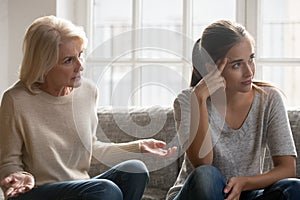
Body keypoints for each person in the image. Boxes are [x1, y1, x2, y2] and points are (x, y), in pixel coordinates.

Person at [0, 15, 177, 200]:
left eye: (81, 54)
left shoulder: (88, 91)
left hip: (80, 187)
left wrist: (138, 147)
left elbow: (90, 148)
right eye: (68, 60)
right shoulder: (16, 100)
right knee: (105, 190)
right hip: (37, 191)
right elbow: (8, 162)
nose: (80, 66)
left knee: (136, 170)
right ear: (44, 65)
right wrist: (20, 178)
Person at [166, 20, 300, 200]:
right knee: (207, 176)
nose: (249, 72)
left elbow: (287, 168)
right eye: (236, 65)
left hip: (246, 193)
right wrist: (199, 99)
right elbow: (202, 163)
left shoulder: (269, 99)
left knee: (293, 188)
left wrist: (245, 182)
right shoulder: (188, 100)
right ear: (211, 68)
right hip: (199, 193)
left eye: (251, 59)